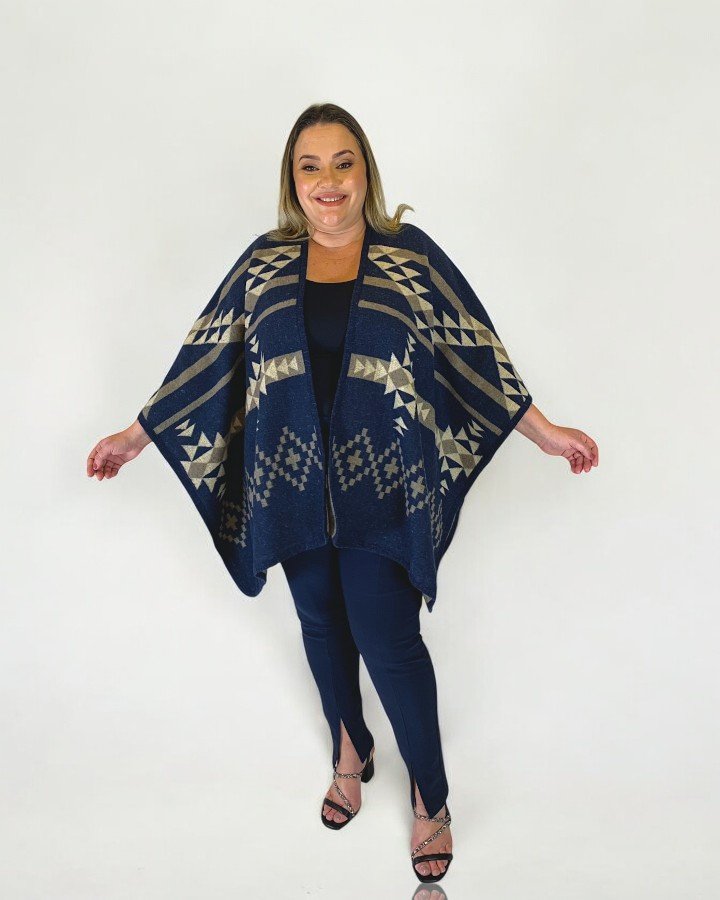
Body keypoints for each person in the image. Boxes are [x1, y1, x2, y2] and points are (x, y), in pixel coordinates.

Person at [87, 102, 599, 883]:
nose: (328, 181)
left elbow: (474, 355)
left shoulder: (408, 256)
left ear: (366, 172)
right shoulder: (264, 263)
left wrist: (546, 432)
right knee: (321, 624)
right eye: (310, 166)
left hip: (383, 488)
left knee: (388, 639)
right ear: (293, 181)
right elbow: (208, 356)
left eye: (343, 162)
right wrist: (136, 436)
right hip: (290, 481)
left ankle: (431, 796)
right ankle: (349, 747)